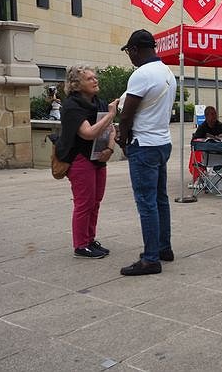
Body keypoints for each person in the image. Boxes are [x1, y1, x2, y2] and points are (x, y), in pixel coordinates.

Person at [117, 29, 177, 276]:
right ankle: (164, 247)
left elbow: (127, 113)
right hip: (162, 143)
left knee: (146, 202)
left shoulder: (141, 75)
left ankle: (151, 258)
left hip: (143, 144)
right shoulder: (167, 72)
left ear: (135, 50)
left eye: (129, 51)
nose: (130, 57)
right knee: (160, 199)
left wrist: (122, 139)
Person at [56, 65, 118, 258]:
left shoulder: (98, 102)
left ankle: (90, 239)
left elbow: (111, 129)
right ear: (76, 84)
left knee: (96, 201)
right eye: (89, 78)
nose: (95, 80)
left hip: (98, 157)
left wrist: (109, 148)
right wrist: (110, 115)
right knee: (84, 203)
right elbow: (88, 133)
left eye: (95, 77)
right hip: (80, 159)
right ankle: (81, 244)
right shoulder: (72, 106)